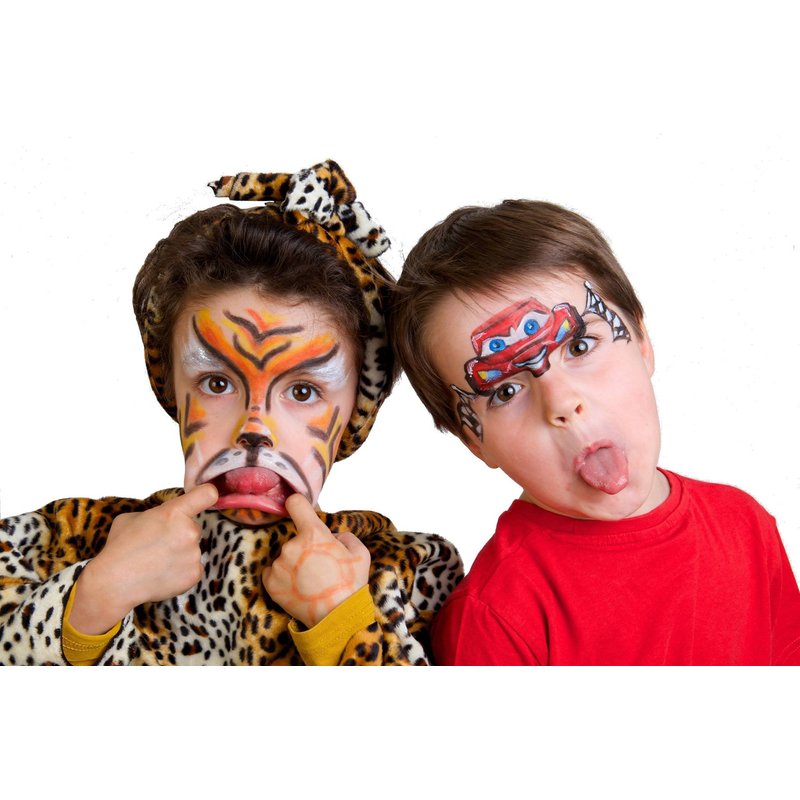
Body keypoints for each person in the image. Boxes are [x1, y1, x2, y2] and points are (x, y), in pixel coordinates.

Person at [0, 160, 462, 666]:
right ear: (171, 385)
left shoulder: (405, 573)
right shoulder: (64, 545)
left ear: (357, 410)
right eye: (217, 383)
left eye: (303, 391)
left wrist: (341, 621)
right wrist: (96, 597)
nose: (254, 429)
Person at [390, 199, 800, 665]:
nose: (562, 403)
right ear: (473, 441)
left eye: (581, 346)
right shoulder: (494, 617)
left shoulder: (746, 527)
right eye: (505, 391)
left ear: (642, 341)